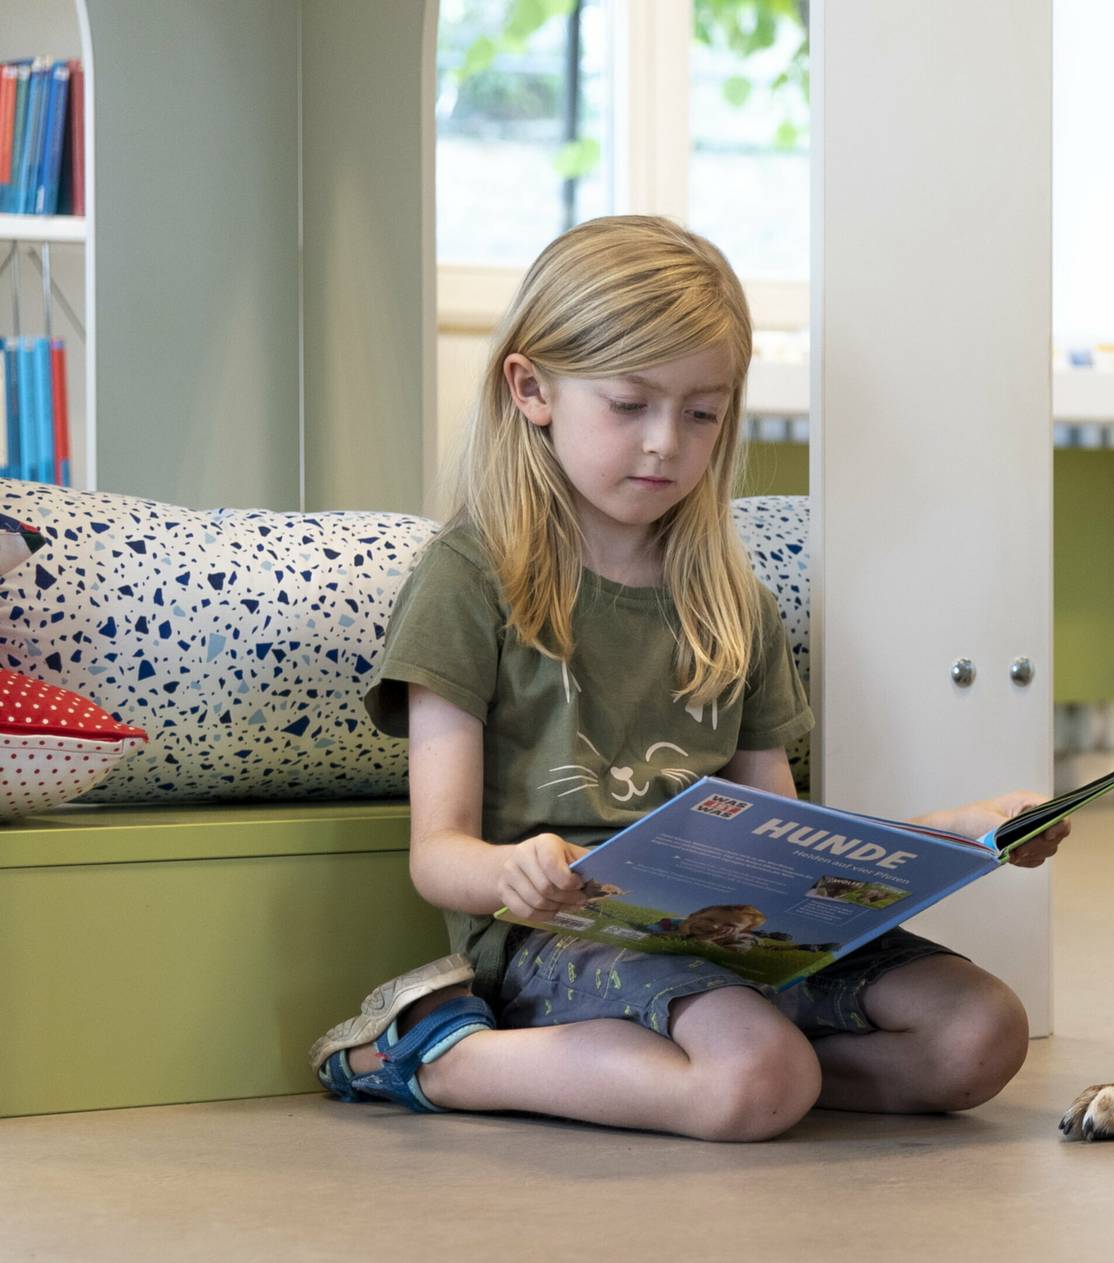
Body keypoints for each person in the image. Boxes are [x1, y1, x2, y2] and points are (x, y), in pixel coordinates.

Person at [307, 215, 1063, 1140]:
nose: (667, 441)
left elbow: (787, 840)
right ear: (532, 388)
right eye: (630, 405)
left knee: (982, 1032)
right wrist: (514, 870)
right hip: (561, 936)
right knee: (751, 1080)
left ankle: (741, 1063)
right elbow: (438, 855)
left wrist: (956, 834)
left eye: (702, 413)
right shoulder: (471, 579)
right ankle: (437, 1055)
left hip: (732, 929)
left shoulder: (730, 598)